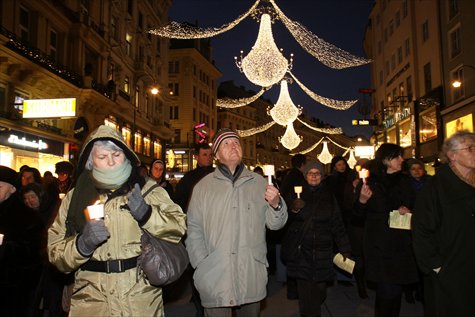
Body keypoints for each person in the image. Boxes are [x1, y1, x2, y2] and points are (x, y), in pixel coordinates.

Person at [47, 125, 186, 316]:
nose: (111, 161)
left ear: (126, 155)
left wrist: (147, 214)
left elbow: (178, 227)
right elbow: (55, 254)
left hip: (139, 300)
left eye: (116, 154)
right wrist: (82, 244)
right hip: (91, 302)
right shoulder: (75, 197)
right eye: (102, 157)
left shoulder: (147, 189)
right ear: (91, 162)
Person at [186, 128, 287, 317]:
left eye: (236, 142)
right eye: (226, 143)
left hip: (250, 273)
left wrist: (276, 205)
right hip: (215, 275)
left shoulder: (259, 183)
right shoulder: (203, 188)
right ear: (216, 154)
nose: (233, 146)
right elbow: (194, 229)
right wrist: (201, 264)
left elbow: (276, 225)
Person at [412, 131, 475, 317]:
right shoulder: (435, 188)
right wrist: (437, 266)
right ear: (452, 155)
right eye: (470, 148)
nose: (474, 152)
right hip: (450, 272)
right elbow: (421, 230)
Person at [355, 143, 418, 317]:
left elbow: (417, 208)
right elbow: (356, 216)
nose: (401, 160)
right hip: (379, 243)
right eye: (397, 156)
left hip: (400, 243)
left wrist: (409, 211)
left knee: (396, 289)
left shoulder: (406, 182)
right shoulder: (370, 183)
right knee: (386, 289)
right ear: (386, 160)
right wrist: (361, 200)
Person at [282, 160, 351, 317]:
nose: (314, 176)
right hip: (301, 252)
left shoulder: (328, 195)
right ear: (305, 175)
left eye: (317, 173)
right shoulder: (295, 193)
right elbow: (282, 220)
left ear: (322, 176)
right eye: (310, 173)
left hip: (323, 251)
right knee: (306, 296)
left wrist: (345, 248)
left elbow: (337, 223)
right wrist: (293, 209)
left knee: (320, 292)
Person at [0, 166, 47, 317]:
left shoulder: (27, 218)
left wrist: (5, 248)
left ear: (12, 189)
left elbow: (33, 256)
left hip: (13, 290)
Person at [279, 153, 307, 299]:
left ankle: (292, 288)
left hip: (289, 218)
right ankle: (293, 288)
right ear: (302, 164)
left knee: (292, 254)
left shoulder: (289, 175)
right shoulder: (298, 178)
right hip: (294, 219)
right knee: (295, 255)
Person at [175, 143, 214, 212]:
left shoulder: (218, 175)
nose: (208, 158)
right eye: (205, 155)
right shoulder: (188, 178)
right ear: (196, 157)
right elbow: (179, 200)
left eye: (210, 155)